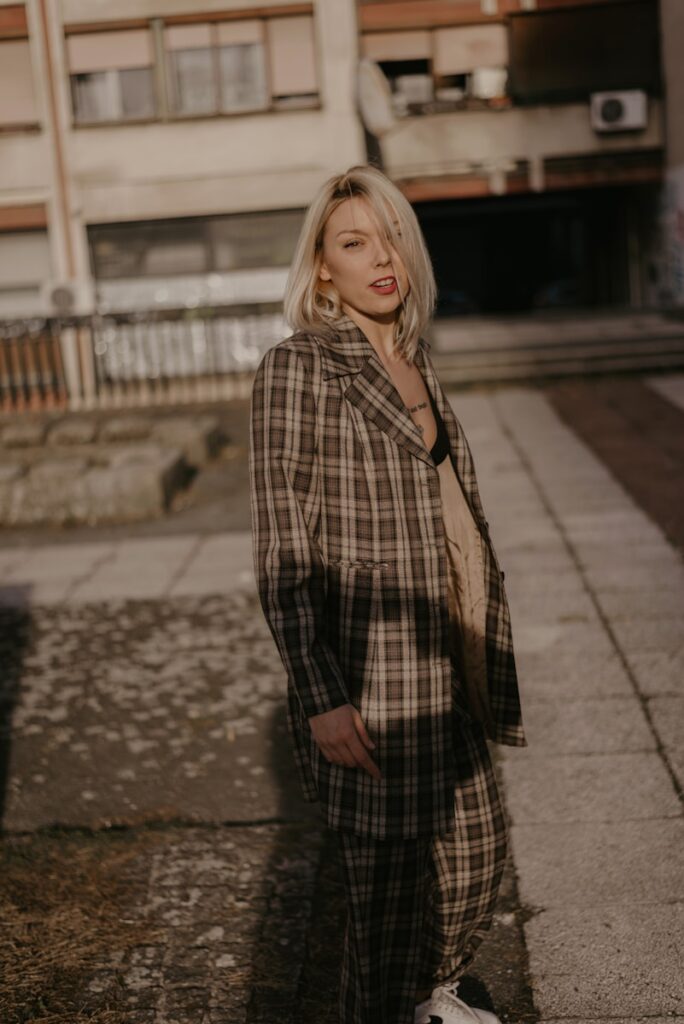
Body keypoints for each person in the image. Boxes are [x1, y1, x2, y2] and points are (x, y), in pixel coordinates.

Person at [248, 164, 528, 1024]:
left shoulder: (414, 360)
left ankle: (425, 994)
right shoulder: (299, 367)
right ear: (322, 266)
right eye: (353, 242)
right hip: (372, 671)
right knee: (384, 900)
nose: (380, 258)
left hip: (454, 643)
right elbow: (283, 553)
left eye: (390, 237)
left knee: (479, 854)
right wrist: (323, 696)